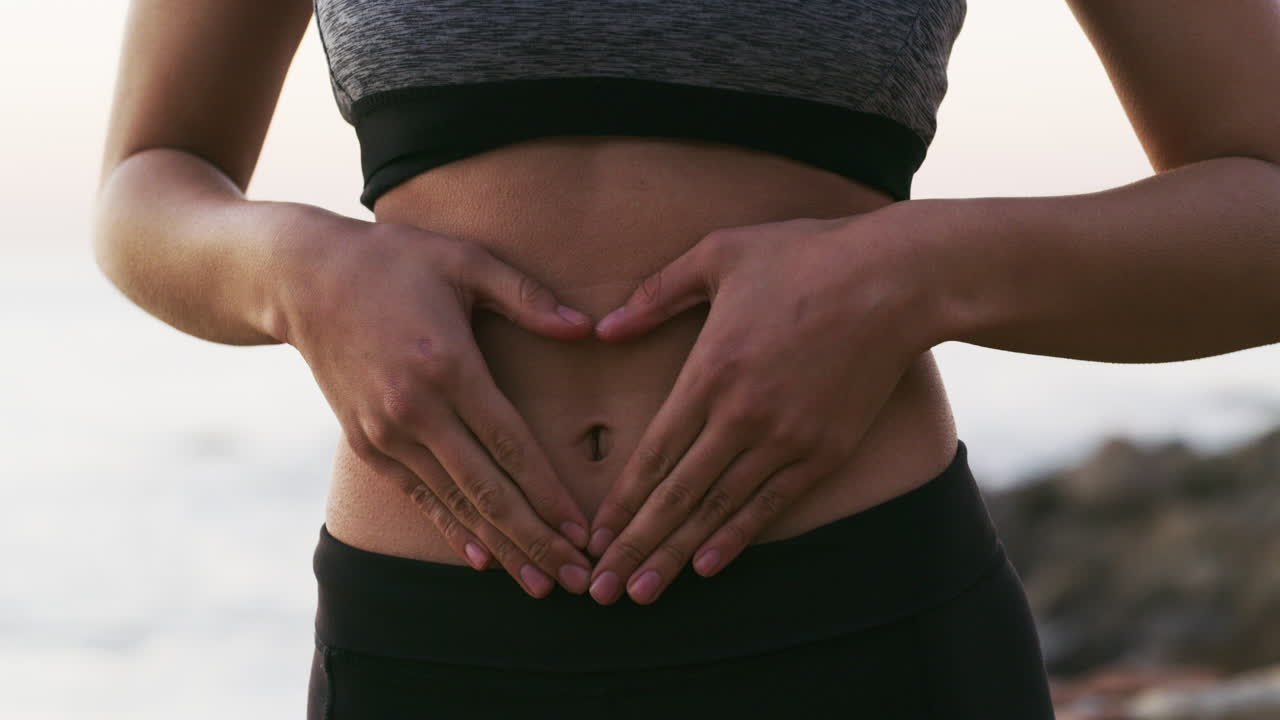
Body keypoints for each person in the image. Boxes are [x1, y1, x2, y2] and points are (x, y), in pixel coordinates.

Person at [92, 0, 1280, 717]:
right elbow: (149, 182)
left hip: (858, 628)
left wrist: (917, 269)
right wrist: (296, 271)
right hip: (431, 645)